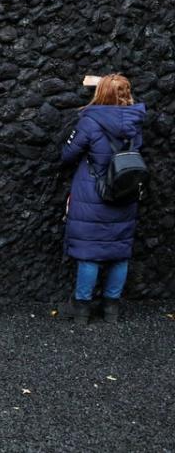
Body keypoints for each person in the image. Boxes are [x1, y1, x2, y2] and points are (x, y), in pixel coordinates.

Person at [59, 74, 146, 325]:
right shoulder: (135, 121)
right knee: (119, 252)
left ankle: (82, 309)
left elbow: (67, 155)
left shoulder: (90, 121)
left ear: (101, 94)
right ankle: (111, 309)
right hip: (125, 191)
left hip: (93, 193)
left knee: (89, 253)